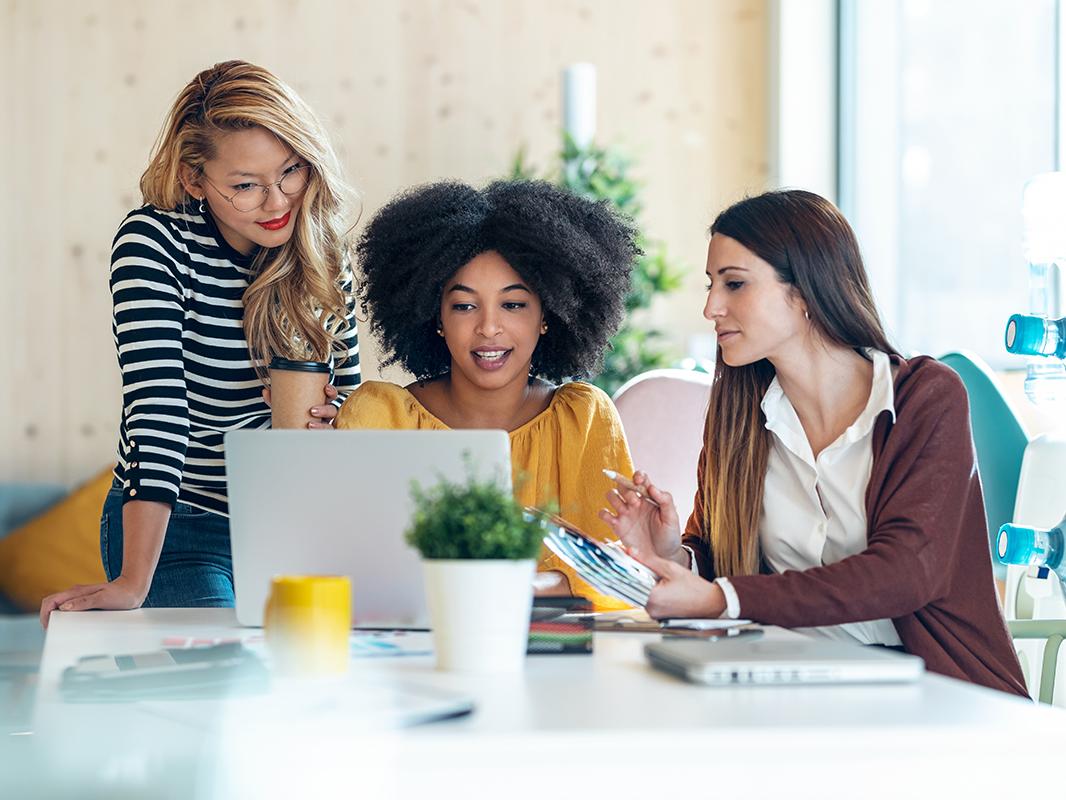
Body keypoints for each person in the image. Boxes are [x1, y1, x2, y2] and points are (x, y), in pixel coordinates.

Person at [602, 189, 1028, 695]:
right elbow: (728, 568)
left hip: (937, 693)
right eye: (712, 285)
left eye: (734, 284)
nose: (711, 307)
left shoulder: (925, 398)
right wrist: (676, 555)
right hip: (788, 683)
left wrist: (722, 599)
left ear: (805, 290)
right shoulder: (738, 418)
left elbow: (907, 572)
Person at [40, 61, 360, 625]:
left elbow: (355, 413)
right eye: (244, 185)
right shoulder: (155, 243)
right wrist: (134, 581)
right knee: (220, 692)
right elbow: (157, 410)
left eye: (290, 171)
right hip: (182, 524)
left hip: (290, 524)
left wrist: (333, 420)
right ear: (194, 179)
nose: (277, 200)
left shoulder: (323, 256)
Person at [335, 179, 639, 610]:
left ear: (547, 316)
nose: (488, 328)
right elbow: (344, 567)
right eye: (464, 305)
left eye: (513, 305)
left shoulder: (583, 419)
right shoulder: (382, 417)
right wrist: (538, 585)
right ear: (435, 316)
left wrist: (496, 591)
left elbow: (615, 581)